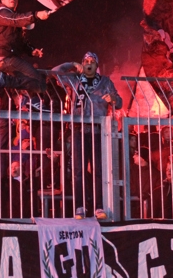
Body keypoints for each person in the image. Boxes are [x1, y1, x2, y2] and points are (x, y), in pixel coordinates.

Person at [54, 51, 122, 220]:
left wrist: (113, 98)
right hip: (78, 129)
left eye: (92, 61)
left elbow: (119, 102)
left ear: (97, 65)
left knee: (98, 170)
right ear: (82, 64)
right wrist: (71, 63)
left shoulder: (105, 82)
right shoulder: (75, 80)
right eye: (86, 61)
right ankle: (80, 206)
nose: (89, 63)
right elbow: (54, 72)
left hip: (98, 131)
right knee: (79, 171)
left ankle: (99, 206)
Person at [0, 0, 50, 94]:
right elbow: (16, 19)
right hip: (6, 59)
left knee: (38, 84)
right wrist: (36, 15)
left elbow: (19, 42)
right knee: (38, 80)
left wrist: (32, 51)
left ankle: (32, 102)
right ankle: (6, 81)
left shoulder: (11, 17)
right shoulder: (0, 13)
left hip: (9, 59)